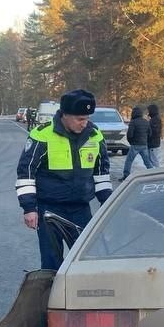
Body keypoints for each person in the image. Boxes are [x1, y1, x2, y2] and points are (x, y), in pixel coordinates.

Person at [16, 89, 111, 270]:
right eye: (80, 119)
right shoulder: (42, 135)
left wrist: (109, 205)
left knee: (87, 258)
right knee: (51, 261)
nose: (85, 123)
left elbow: (102, 175)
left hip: (81, 209)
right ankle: (52, 296)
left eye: (87, 118)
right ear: (65, 115)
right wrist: (29, 208)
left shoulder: (95, 135)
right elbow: (26, 173)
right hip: (49, 209)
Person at [121, 105, 154, 178]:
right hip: (144, 144)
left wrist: (131, 142)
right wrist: (145, 140)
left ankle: (126, 175)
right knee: (147, 162)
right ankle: (153, 174)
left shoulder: (133, 122)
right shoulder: (146, 122)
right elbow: (150, 133)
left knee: (129, 161)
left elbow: (129, 135)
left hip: (135, 145)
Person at [147, 103, 163, 167]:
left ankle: (156, 174)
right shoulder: (154, 119)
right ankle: (153, 173)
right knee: (151, 159)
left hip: (153, 143)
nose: (148, 112)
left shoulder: (155, 120)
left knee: (153, 160)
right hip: (152, 143)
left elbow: (155, 132)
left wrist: (148, 133)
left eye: (149, 110)